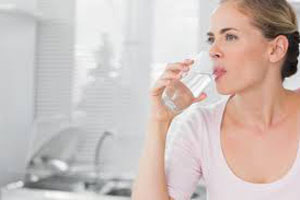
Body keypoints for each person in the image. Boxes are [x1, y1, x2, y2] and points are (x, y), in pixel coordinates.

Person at [132, 0, 300, 199]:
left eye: (230, 36)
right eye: (212, 39)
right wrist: (159, 121)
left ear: (276, 49)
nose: (213, 51)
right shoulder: (200, 127)